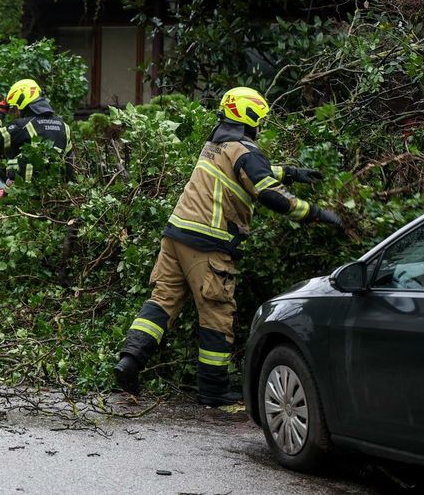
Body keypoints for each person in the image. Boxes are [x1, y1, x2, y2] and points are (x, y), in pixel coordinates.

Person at [113, 86, 344, 406]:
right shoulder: (244, 150)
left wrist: (290, 173)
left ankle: (129, 362)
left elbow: (248, 172)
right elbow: (268, 194)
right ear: (249, 117)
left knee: (162, 303)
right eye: (259, 120)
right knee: (217, 315)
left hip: (176, 234)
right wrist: (315, 214)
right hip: (207, 243)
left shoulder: (217, 143)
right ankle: (213, 389)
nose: (260, 127)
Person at [0, 79, 74, 182]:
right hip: (55, 194)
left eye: (15, 108)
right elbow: (70, 167)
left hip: (23, 195)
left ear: (22, 101)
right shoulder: (64, 126)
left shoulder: (23, 125)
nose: (15, 113)